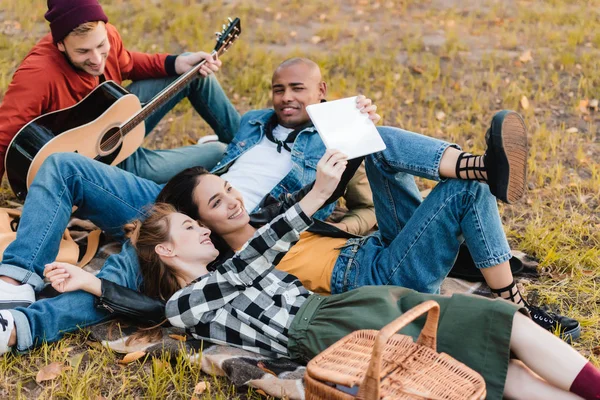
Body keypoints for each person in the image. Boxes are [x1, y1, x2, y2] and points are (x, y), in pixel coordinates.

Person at [37, 157, 600, 400]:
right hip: (332, 331)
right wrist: (312, 197)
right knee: (498, 361)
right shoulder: (190, 301)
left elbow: (250, 256)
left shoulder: (224, 270)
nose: (205, 231)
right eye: (193, 224)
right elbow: (250, 260)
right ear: (166, 248)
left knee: (507, 336)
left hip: (358, 304)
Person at [0, 0, 240, 182]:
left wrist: (175, 63)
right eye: (83, 52)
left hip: (117, 120)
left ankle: (249, 140)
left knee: (194, 68)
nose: (96, 60)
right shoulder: (38, 74)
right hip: (96, 164)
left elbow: (127, 63)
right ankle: (238, 152)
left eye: (101, 45)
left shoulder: (107, 35)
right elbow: (4, 138)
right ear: (60, 44)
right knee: (219, 152)